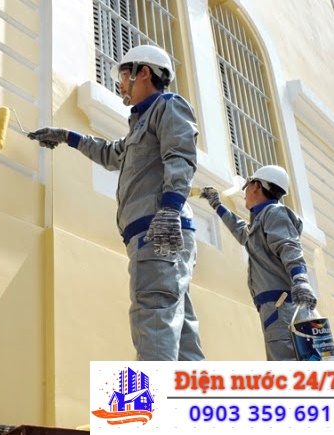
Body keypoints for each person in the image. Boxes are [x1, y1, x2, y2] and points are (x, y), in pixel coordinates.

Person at [28, 45, 204, 361]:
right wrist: (67, 136)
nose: (119, 84)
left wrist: (169, 209)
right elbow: (111, 154)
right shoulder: (141, 124)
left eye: (123, 75)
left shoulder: (169, 106)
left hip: (158, 228)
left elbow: (181, 155)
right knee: (179, 331)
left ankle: (153, 394)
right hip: (157, 230)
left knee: (153, 318)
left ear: (144, 72)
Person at [200, 165, 317, 360]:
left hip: (282, 307)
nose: (245, 192)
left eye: (247, 186)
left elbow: (288, 246)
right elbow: (242, 233)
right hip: (277, 308)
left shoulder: (274, 213)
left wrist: (301, 279)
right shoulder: (263, 220)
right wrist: (217, 205)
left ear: (256, 186)